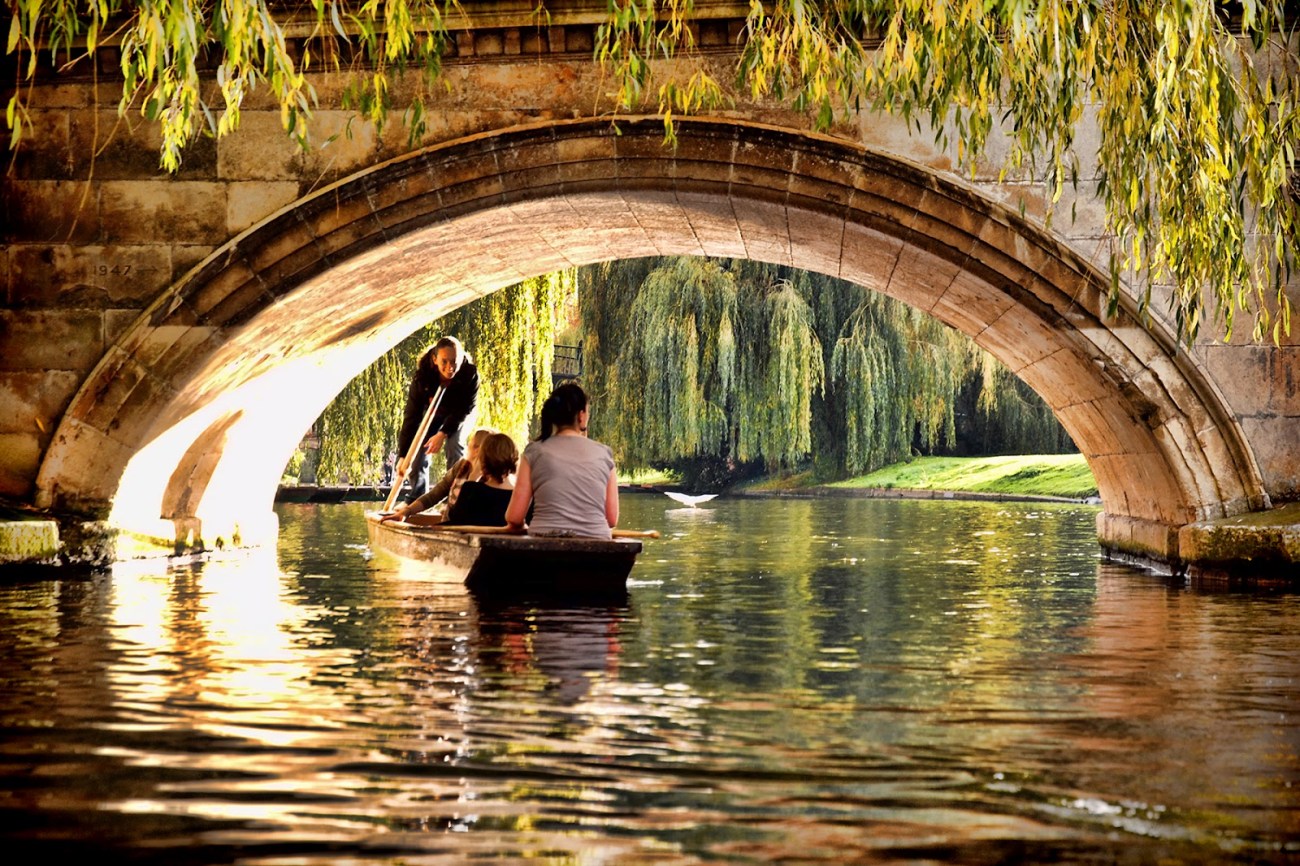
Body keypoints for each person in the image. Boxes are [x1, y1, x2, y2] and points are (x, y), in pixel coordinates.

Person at [505, 382, 619, 538]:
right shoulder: (605, 454)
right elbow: (611, 519)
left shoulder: (534, 451)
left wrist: (522, 526)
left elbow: (514, 517)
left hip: (544, 544)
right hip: (595, 545)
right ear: (581, 415)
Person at [395, 336, 479, 502]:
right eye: (444, 362)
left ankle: (455, 496)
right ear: (435, 359)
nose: (450, 367)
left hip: (460, 415)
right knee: (418, 449)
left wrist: (442, 434)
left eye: (455, 361)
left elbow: (464, 410)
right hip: (433, 414)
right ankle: (418, 497)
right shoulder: (422, 377)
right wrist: (404, 455)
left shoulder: (469, 374)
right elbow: (411, 418)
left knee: (454, 444)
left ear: (462, 357)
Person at [381, 427, 494, 526]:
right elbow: (435, 494)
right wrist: (407, 511)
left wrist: (474, 478)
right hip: (450, 527)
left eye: (471, 441)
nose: (467, 444)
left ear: (477, 450)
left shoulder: (494, 477)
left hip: (470, 529)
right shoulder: (461, 466)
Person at [442, 432, 518, 527]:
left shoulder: (471, 490)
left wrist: (473, 477)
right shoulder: (519, 497)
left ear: (483, 459)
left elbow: (455, 520)